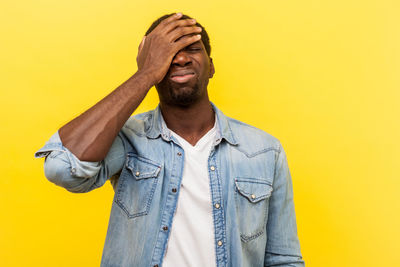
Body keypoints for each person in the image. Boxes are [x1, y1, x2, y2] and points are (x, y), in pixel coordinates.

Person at [35, 12, 305, 267]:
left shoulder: (264, 151)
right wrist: (145, 74)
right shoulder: (128, 140)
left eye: (192, 49)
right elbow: (62, 168)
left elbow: (284, 260)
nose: (180, 59)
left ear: (211, 67)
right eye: (167, 53)